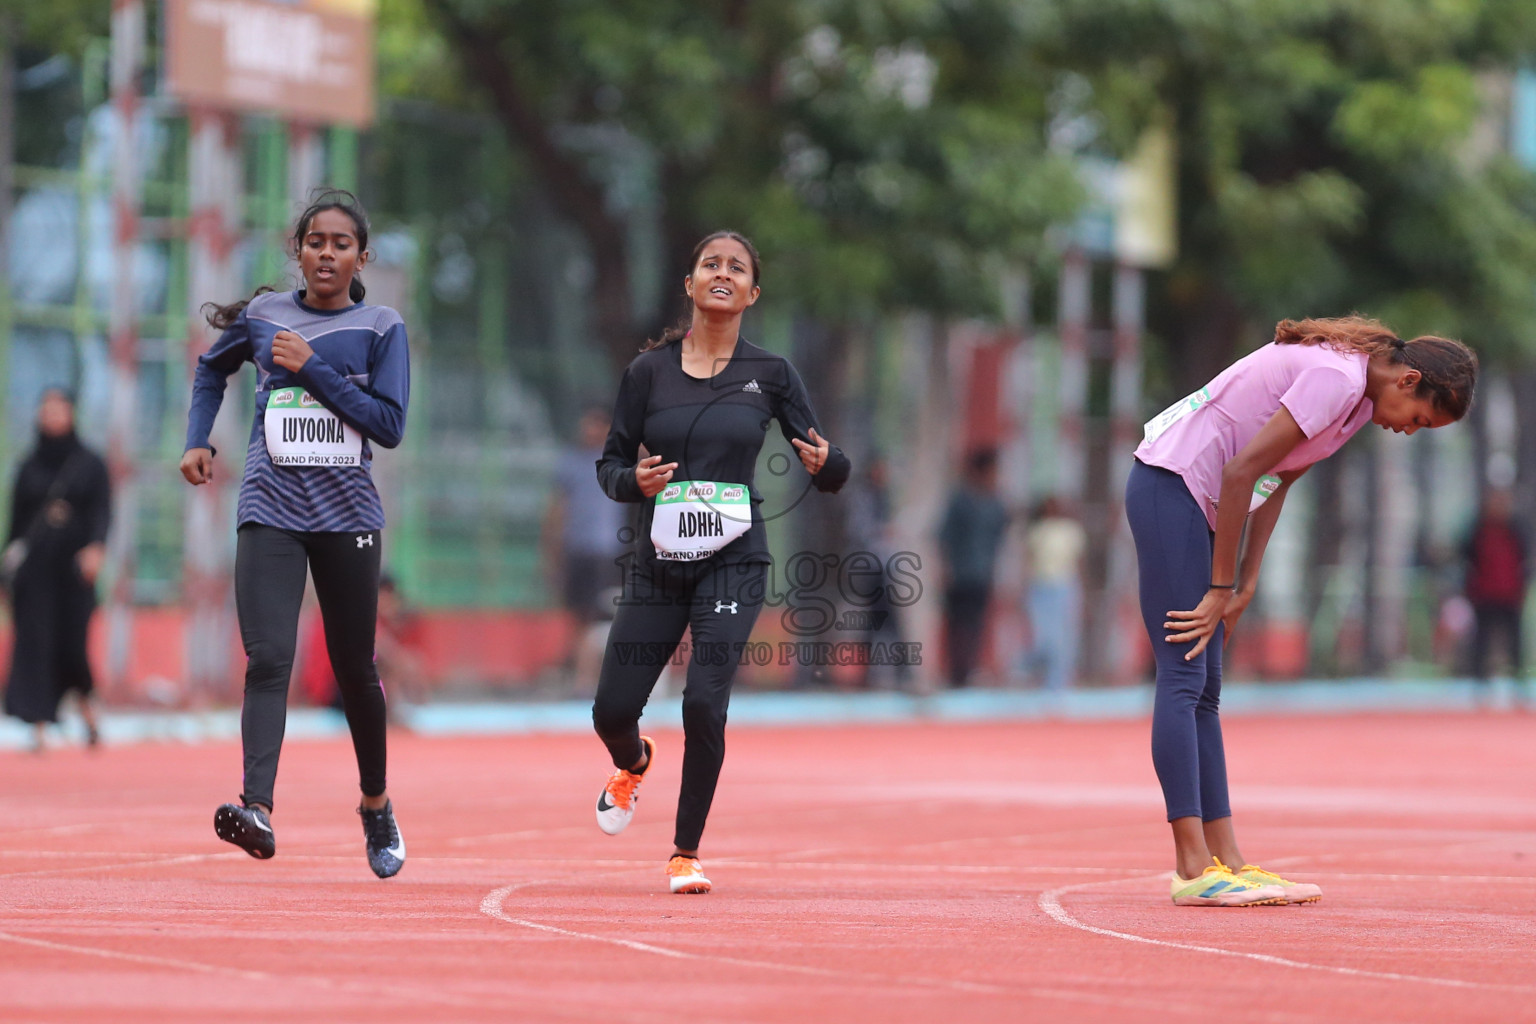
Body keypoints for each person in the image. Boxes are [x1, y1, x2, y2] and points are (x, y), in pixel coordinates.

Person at [1126, 316, 1476, 906]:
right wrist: (1219, 585)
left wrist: (1245, 585)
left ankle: (1225, 858)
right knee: (1184, 674)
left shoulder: (1357, 406)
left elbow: (1274, 482)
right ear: (1409, 379)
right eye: (1418, 419)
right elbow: (1239, 471)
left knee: (1206, 688)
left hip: (1207, 503)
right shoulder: (1335, 379)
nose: (1409, 431)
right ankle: (1191, 867)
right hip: (1173, 485)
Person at [590, 231, 850, 894]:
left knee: (705, 703)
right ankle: (633, 761)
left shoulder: (771, 374)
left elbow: (827, 463)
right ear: (691, 283)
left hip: (733, 561)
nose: (723, 274)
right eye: (711, 264)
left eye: (737, 268)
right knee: (612, 711)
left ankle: (685, 852)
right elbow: (611, 464)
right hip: (660, 562)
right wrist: (635, 483)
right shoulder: (648, 373)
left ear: (752, 293)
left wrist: (829, 465)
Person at [180, 189, 410, 879]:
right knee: (269, 657)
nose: (326, 254)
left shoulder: (381, 326)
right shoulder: (263, 316)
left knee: (354, 669)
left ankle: (375, 803)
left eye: (341, 244)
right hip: (270, 508)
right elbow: (208, 370)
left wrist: (310, 369)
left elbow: (390, 426)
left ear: (360, 257)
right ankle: (258, 808)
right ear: (298, 252)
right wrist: (198, 440)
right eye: (315, 242)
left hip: (348, 520)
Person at [2, 388, 111, 751]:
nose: (52, 414)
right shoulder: (28, 465)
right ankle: (39, 727)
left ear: (71, 413)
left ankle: (88, 712)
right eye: (45, 408)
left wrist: (96, 548)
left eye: (58, 408)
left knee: (72, 646)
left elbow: (102, 513)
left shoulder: (90, 463)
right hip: (36, 574)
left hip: (74, 572)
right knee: (35, 646)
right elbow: (16, 526)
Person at [543, 405, 629, 684]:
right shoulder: (571, 462)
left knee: (600, 615)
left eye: (595, 425)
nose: (588, 431)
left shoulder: (618, 460)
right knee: (578, 613)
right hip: (577, 547)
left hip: (605, 550)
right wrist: (552, 547)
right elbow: (559, 507)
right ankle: (582, 673)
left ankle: (590, 675)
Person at [937, 448, 1009, 687]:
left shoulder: (995, 504)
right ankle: (955, 674)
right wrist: (945, 570)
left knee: (976, 625)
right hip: (960, 574)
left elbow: (1001, 535)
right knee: (957, 625)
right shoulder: (961, 501)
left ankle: (969, 671)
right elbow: (944, 537)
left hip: (982, 574)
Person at [1462, 488, 1529, 698]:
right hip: (1484, 594)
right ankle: (1481, 683)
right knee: (1482, 640)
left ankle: (1519, 683)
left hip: (1510, 594)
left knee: (1515, 641)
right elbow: (1467, 559)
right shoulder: (1478, 529)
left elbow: (1525, 559)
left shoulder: (1516, 529)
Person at [1022, 496, 1086, 692]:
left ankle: (1057, 683)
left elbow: (1078, 563)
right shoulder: (1037, 531)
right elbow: (1029, 561)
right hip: (1041, 586)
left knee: (1063, 638)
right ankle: (1031, 672)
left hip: (1064, 586)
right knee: (1044, 638)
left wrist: (1081, 592)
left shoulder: (1070, 530)